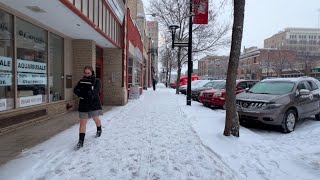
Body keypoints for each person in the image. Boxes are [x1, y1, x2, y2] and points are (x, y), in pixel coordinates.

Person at [73, 66, 103, 149]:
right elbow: (75, 90)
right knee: (83, 122)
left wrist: (85, 93)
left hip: (93, 103)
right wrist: (81, 93)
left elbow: (96, 91)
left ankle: (99, 129)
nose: (86, 75)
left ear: (92, 72)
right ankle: (81, 141)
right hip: (83, 104)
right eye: (85, 73)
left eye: (88, 73)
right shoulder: (81, 81)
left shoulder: (97, 81)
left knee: (96, 119)